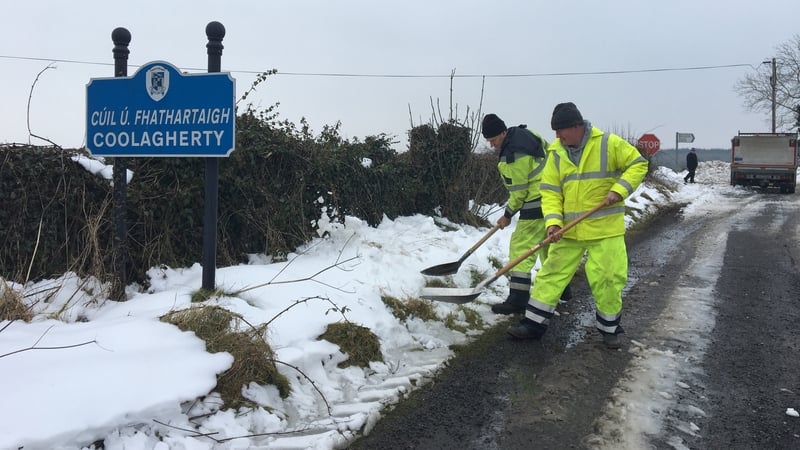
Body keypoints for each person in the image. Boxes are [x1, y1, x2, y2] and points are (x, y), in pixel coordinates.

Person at [507, 102, 648, 349]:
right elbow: (549, 192)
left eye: (561, 131)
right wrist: (552, 223)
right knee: (550, 275)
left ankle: (609, 329)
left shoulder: (608, 143)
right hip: (569, 231)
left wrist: (619, 190)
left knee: (607, 278)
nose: (557, 136)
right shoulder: (555, 153)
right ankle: (533, 324)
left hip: (605, 231)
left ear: (576, 126)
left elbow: (638, 164)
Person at [481, 114, 571, 315]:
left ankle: (518, 299)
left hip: (535, 204)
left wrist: (507, 214)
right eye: (489, 141)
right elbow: (551, 154)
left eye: (494, 140)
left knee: (520, 248)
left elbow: (519, 192)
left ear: (503, 132)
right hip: (553, 198)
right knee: (549, 247)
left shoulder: (513, 155)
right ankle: (562, 289)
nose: (492, 145)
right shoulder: (527, 134)